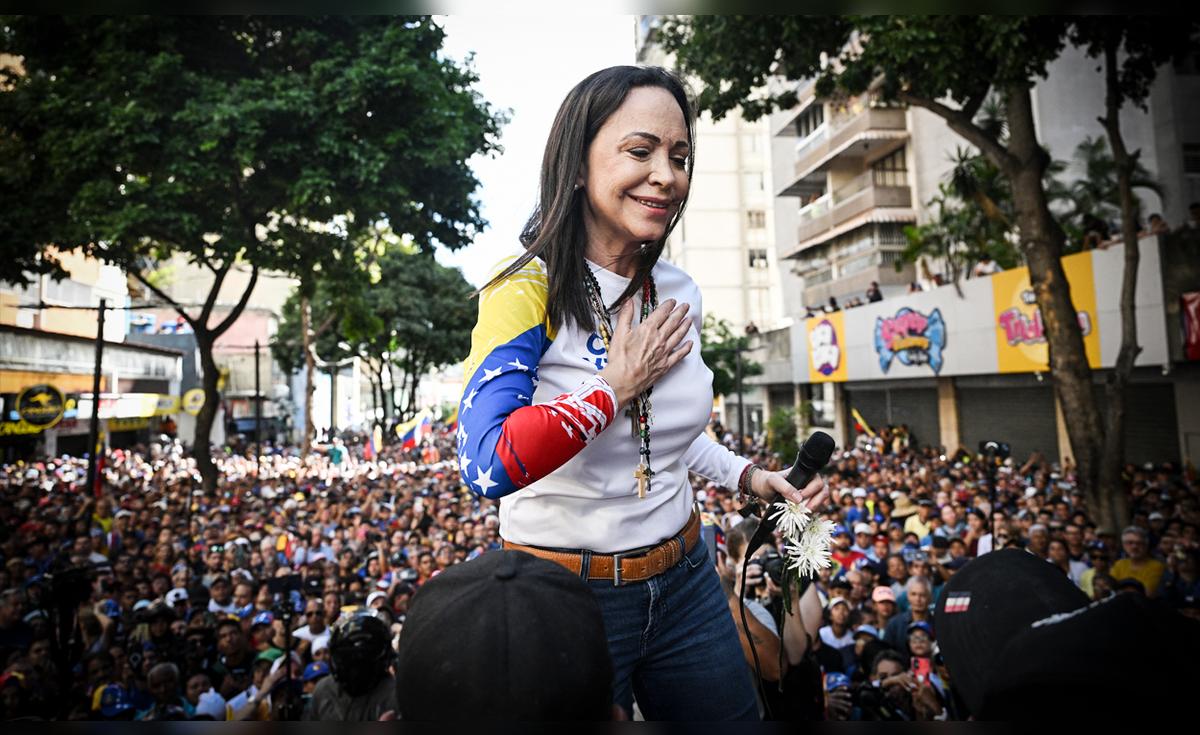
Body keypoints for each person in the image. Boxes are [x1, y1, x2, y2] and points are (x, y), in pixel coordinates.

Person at [457, 65, 828, 721]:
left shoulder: (679, 289)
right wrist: (613, 387)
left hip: (689, 578)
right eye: (640, 151)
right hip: (567, 597)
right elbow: (487, 462)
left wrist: (749, 476)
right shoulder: (522, 286)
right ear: (576, 166)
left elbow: (665, 435)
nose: (667, 174)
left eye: (679, 156)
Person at [1110, 526, 1166, 597]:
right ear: (1124, 545)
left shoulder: (1156, 566)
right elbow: (1111, 589)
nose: (1134, 547)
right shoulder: (1119, 564)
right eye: (1130, 543)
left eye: (1139, 543)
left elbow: (1147, 593)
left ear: (1146, 546)